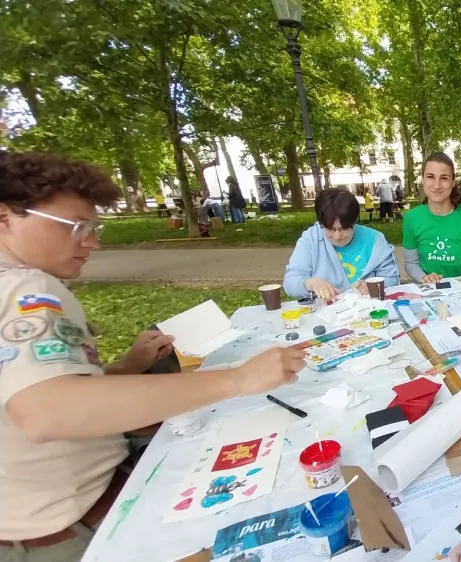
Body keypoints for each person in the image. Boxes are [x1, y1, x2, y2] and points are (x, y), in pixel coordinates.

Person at [0, 151, 305, 560]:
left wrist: (125, 368)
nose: (91, 241)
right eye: (76, 226)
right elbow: (44, 412)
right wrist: (238, 380)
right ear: (6, 216)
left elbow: (25, 396)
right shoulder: (25, 288)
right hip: (70, 530)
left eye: (94, 227)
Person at [283, 188, 399, 301]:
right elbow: (290, 283)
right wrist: (310, 283)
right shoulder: (311, 239)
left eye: (344, 228)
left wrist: (372, 286)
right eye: (330, 229)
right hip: (326, 315)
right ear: (320, 223)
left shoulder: (375, 240)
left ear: (354, 222)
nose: (337, 236)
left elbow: (392, 279)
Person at [403, 153, 461, 284]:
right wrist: (425, 279)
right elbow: (411, 263)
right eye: (430, 177)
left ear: (453, 182)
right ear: (423, 180)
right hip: (426, 289)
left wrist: (453, 290)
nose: (436, 185)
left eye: (444, 178)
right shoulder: (412, 218)